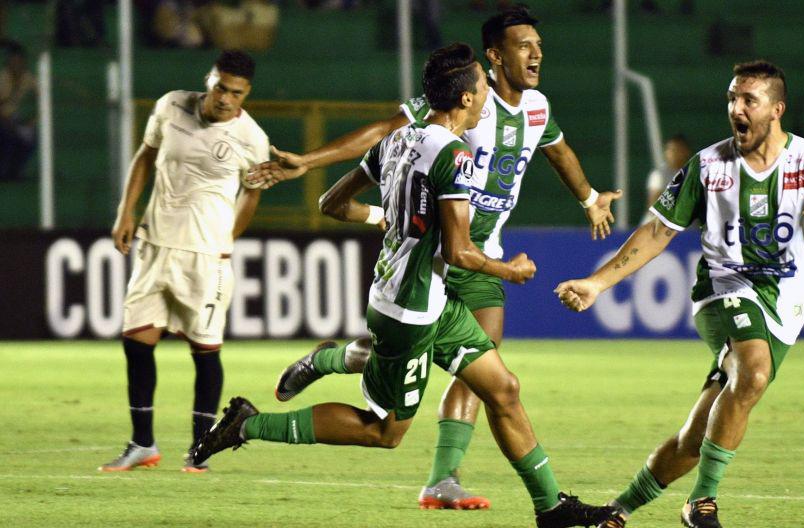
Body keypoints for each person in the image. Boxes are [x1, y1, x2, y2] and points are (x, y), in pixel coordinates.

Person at [191, 43, 615, 528]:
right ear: (464, 100)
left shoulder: (398, 141)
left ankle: (552, 508)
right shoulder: (453, 156)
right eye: (481, 90)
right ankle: (249, 423)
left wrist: (387, 217)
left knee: (504, 389)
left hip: (424, 299)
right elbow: (459, 253)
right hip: (410, 312)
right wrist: (510, 271)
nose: (485, 99)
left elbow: (333, 202)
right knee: (383, 432)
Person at [555, 60, 804, 528]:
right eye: (732, 99)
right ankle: (702, 504)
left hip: (784, 303)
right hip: (723, 289)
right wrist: (598, 283)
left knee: (696, 438)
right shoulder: (708, 165)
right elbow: (657, 232)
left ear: (776, 109)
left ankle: (618, 511)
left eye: (748, 100)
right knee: (753, 373)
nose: (736, 109)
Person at [98, 50, 268, 473]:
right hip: (155, 243)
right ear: (208, 80)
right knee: (136, 341)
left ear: (246, 94)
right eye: (220, 88)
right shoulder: (171, 104)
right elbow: (145, 154)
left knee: (204, 350)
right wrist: (126, 211)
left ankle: (199, 449)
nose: (226, 98)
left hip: (206, 257)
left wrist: (228, 238)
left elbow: (252, 192)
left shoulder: (251, 138)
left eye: (236, 92)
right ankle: (142, 444)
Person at [0, 42, 37, 182]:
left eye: (19, 61)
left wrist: (32, 122)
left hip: (18, 121)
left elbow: (39, 100)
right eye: (13, 60)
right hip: (3, 121)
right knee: (7, 135)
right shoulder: (2, 78)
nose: (16, 64)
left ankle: (15, 171)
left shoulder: (29, 79)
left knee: (31, 138)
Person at [642, 134, 691, 224]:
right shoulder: (658, 175)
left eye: (678, 150)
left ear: (686, 152)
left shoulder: (693, 174)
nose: (673, 153)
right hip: (657, 228)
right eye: (671, 150)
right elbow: (653, 204)